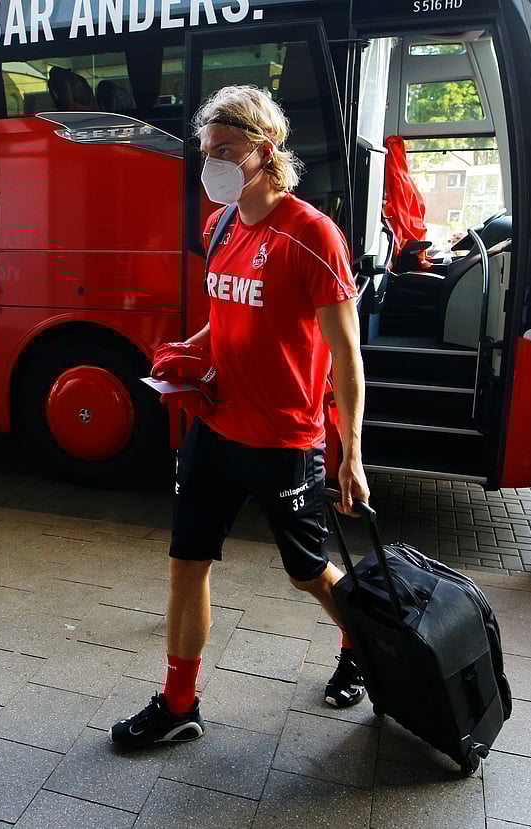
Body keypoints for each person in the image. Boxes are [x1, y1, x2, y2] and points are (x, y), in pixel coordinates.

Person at [110, 85, 371, 747]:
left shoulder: (312, 235)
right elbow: (227, 318)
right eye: (208, 152)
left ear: (265, 149)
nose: (214, 164)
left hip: (282, 436)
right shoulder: (220, 225)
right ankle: (178, 703)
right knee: (186, 560)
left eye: (227, 150)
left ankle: (359, 640)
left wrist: (352, 453)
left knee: (306, 570)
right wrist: (185, 354)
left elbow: (346, 354)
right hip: (215, 425)